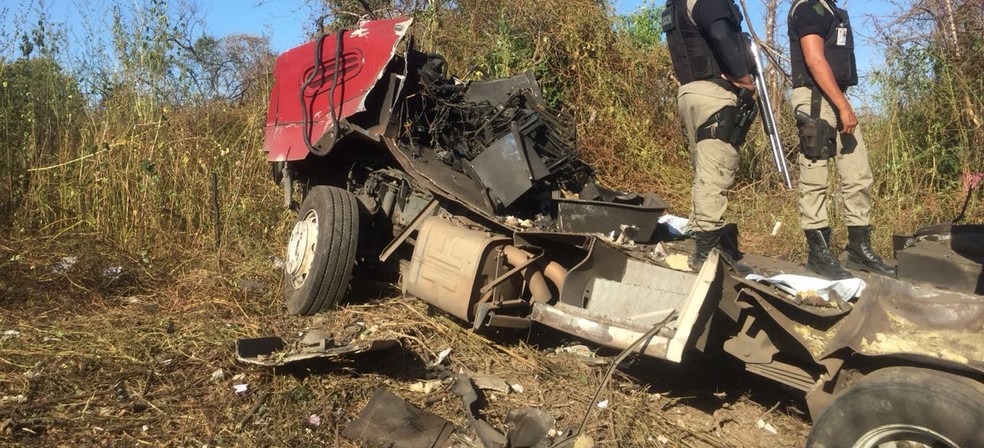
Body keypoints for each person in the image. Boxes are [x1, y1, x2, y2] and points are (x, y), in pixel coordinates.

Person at [788, 0, 895, 279]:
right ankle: (818, 253)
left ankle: (859, 248)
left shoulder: (832, 9)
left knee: (858, 172)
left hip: (835, 95)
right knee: (815, 177)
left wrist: (842, 103)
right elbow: (814, 59)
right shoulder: (809, 7)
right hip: (815, 97)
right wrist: (843, 106)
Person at [662, 0, 755, 272]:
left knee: (703, 168)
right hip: (713, 91)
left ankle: (699, 232)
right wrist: (744, 77)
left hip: (690, 91)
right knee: (716, 168)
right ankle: (707, 253)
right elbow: (720, 35)